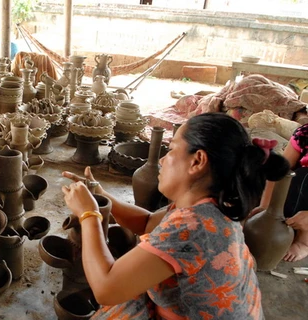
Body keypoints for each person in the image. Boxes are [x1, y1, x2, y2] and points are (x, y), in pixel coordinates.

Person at [61, 112, 289, 319]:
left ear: (197, 161)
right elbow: (148, 223)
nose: (161, 160)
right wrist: (101, 195)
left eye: (171, 150)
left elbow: (105, 289)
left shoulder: (194, 228)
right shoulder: (212, 203)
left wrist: (88, 214)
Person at [252, 123, 308, 262]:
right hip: (296, 202)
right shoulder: (305, 133)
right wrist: (265, 208)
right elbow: (279, 172)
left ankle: (304, 242)